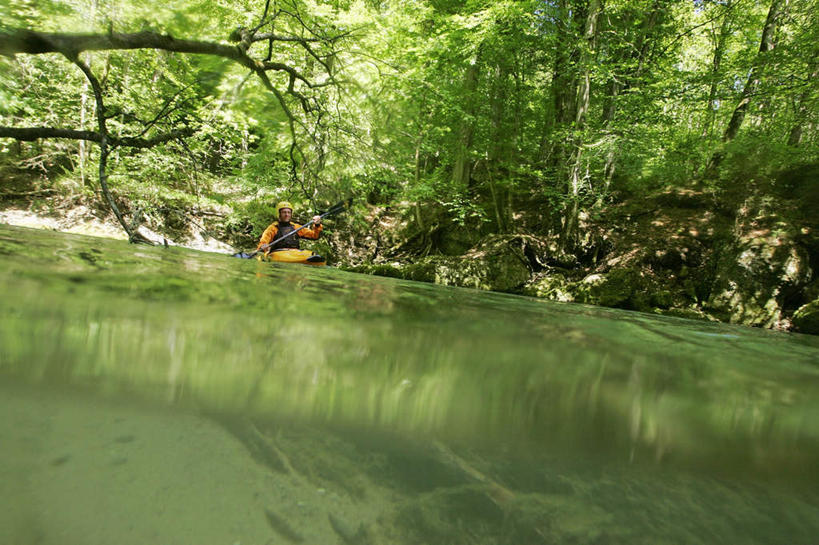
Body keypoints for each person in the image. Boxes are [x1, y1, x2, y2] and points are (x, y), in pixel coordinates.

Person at [256, 201, 322, 255]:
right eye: (284, 212)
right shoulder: (273, 228)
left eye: (289, 212)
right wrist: (263, 246)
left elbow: (314, 236)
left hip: (295, 253)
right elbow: (263, 241)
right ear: (279, 214)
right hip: (278, 253)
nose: (287, 215)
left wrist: (317, 225)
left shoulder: (296, 227)